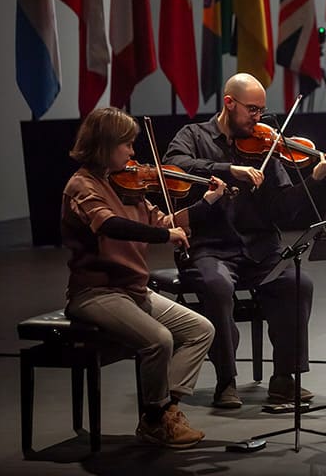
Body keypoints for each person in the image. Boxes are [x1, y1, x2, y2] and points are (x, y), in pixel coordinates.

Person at [163, 73, 326, 409]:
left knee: (297, 282)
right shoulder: (193, 135)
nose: (259, 118)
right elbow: (174, 166)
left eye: (261, 110)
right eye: (252, 110)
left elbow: (284, 209)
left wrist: (315, 179)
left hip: (260, 250)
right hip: (211, 248)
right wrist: (229, 169)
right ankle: (226, 380)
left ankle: (284, 378)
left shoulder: (266, 147)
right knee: (217, 286)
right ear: (229, 103)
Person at [61, 107, 221, 449]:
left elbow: (166, 223)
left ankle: (161, 413)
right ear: (105, 144)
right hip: (96, 293)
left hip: (134, 290)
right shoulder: (81, 186)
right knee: (159, 340)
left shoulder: (128, 187)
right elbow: (109, 225)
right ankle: (157, 418)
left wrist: (207, 203)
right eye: (127, 144)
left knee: (200, 329)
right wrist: (164, 236)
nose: (133, 153)